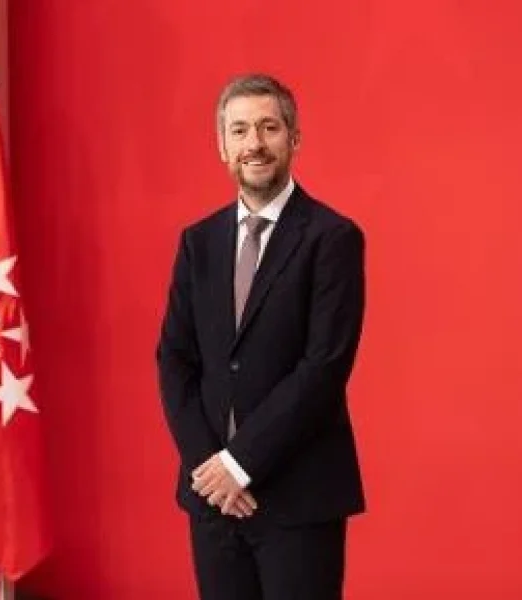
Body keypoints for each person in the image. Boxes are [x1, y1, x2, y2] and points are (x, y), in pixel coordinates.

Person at [156, 73, 366, 600]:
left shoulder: (333, 239)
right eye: (240, 130)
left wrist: (239, 463)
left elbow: (323, 368)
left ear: (293, 139)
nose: (254, 143)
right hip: (213, 501)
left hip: (299, 499)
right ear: (221, 145)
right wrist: (211, 469)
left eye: (269, 128)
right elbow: (176, 361)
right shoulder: (198, 243)